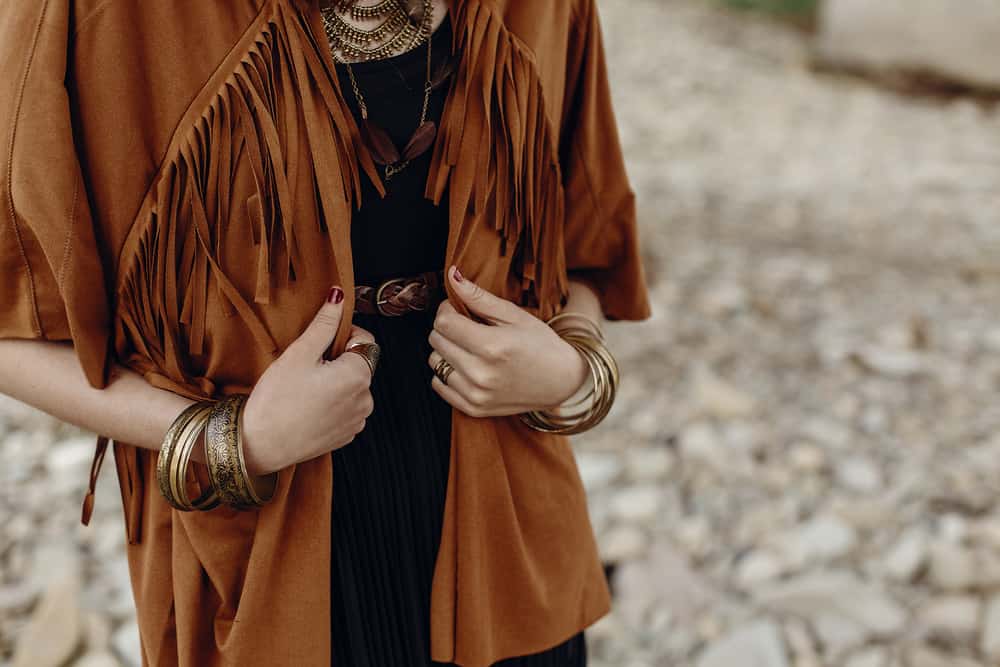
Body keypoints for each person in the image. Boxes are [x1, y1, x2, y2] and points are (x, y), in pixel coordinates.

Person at [0, 0, 652, 665]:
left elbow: (586, 246)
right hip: (262, 539)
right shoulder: (91, 14)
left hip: (505, 518)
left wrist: (572, 368)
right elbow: (10, 333)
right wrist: (235, 437)